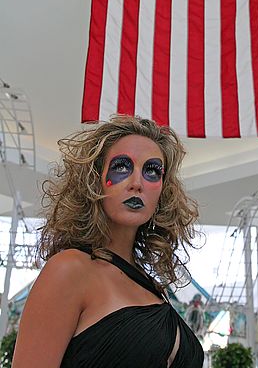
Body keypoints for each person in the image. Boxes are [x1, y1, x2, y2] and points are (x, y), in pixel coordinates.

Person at [12, 114, 204, 368]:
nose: (137, 183)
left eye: (152, 171)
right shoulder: (69, 269)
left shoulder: (153, 288)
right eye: (122, 167)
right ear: (94, 180)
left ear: (162, 190)